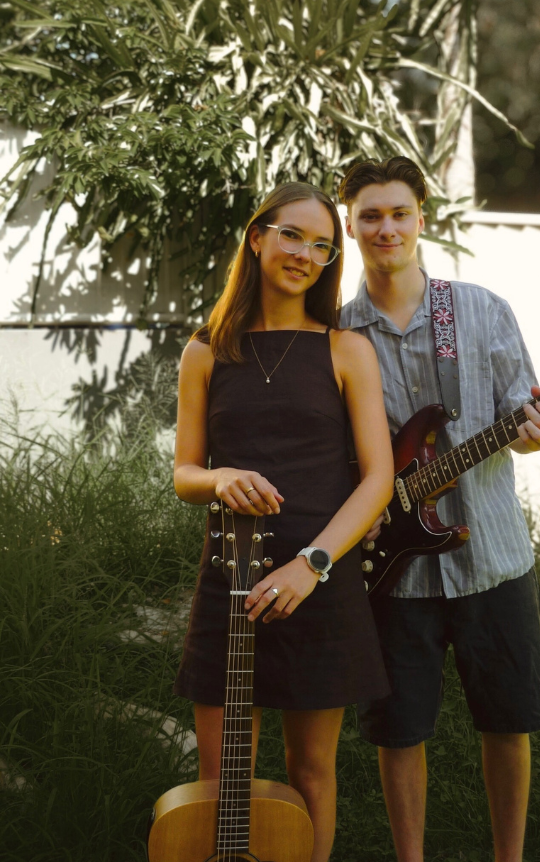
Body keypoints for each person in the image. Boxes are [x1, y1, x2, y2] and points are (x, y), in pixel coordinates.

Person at [338, 157, 540, 862]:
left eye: (399, 213)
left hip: (491, 557)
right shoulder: (336, 335)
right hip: (391, 572)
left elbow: (518, 419)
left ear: (422, 220)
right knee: (399, 728)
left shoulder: (479, 309)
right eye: (371, 215)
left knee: (508, 720)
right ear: (350, 225)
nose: (387, 228)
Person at [173, 181, 394, 862]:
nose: (305, 253)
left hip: (320, 588)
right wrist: (219, 477)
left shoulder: (346, 349)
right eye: (292, 234)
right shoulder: (205, 350)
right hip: (228, 590)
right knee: (219, 782)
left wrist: (313, 564)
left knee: (311, 774)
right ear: (257, 236)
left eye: (323, 246)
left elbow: (379, 479)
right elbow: (184, 474)